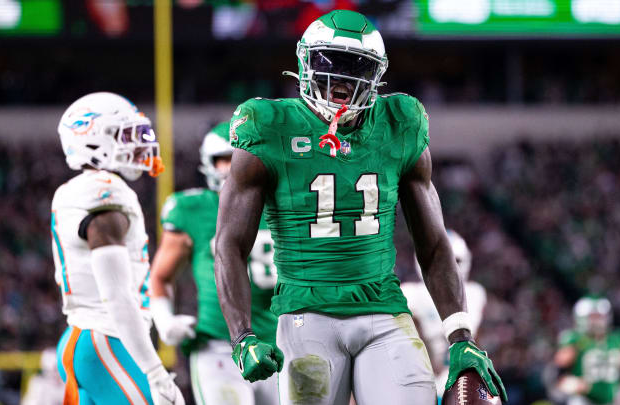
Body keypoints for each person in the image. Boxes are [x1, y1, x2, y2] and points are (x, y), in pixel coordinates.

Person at [214, 9, 507, 405]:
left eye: (356, 67)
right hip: (306, 314)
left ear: (376, 76)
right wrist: (242, 335)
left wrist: (460, 335)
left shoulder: (399, 122)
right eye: (329, 64)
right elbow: (229, 244)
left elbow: (435, 243)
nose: (342, 80)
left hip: (383, 312)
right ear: (304, 63)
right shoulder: (268, 125)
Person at [52, 92, 184, 405]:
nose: (139, 143)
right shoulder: (104, 193)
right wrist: (155, 371)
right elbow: (116, 295)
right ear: (95, 141)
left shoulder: (76, 191)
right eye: (126, 135)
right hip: (105, 339)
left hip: (85, 337)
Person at [150, 122, 280, 405]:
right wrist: (163, 318)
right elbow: (160, 276)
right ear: (209, 163)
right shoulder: (192, 209)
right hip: (220, 346)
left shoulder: (287, 202)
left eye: (244, 157)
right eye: (226, 159)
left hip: (282, 344)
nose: (237, 166)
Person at [401, 230, 487, 401]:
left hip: (457, 378)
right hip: (422, 377)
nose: (449, 268)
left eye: (455, 261)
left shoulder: (474, 293)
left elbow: (475, 341)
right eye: (443, 261)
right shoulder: (411, 293)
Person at [552, 296, 620, 405]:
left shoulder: (617, 338)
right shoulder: (575, 339)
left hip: (612, 398)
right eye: (593, 317)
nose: (598, 321)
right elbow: (556, 374)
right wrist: (570, 383)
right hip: (585, 399)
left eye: (600, 316)